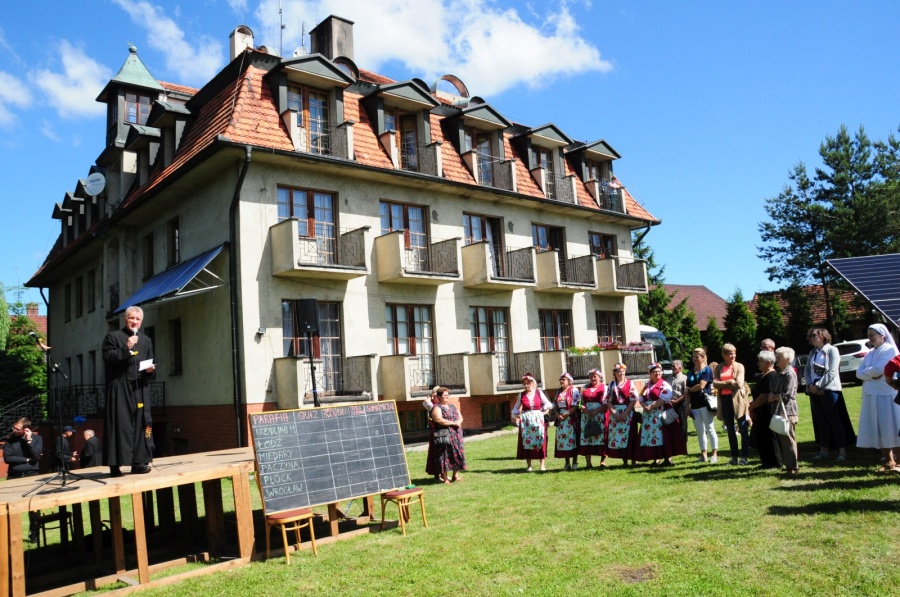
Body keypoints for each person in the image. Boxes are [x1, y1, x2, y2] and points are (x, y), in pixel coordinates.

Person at [103, 305, 155, 477]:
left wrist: (150, 370)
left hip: (139, 386)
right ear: (125, 319)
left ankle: (138, 463)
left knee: (141, 424)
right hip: (120, 386)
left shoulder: (146, 340)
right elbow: (108, 358)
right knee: (120, 425)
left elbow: (150, 361)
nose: (134, 321)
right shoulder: (113, 337)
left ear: (141, 321)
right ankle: (115, 465)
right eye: (131, 318)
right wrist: (126, 348)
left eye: (138, 319)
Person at [855, 324, 900, 473]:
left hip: (886, 394)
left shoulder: (889, 350)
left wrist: (870, 373)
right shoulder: (870, 352)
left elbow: (880, 369)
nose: (870, 338)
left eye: (872, 335)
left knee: (892, 427)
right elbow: (858, 373)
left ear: (882, 336)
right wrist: (871, 374)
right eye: (868, 335)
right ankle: (889, 461)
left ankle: (899, 461)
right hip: (872, 394)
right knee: (880, 428)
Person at [804, 328, 851, 462]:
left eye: (813, 335)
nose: (811, 337)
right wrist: (810, 386)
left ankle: (842, 452)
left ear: (822, 336)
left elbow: (832, 372)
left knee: (834, 420)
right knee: (821, 421)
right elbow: (807, 371)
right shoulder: (813, 352)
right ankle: (824, 451)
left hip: (829, 390)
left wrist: (818, 386)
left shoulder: (832, 350)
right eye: (809, 335)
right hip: (814, 391)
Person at [635, 363, 687, 466]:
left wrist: (651, 406)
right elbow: (640, 397)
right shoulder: (647, 385)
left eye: (659, 371)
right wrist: (644, 406)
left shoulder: (664, 384)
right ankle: (656, 458)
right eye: (655, 372)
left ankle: (668, 458)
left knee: (664, 435)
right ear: (650, 373)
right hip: (649, 415)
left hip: (661, 413)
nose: (657, 373)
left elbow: (664, 398)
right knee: (652, 435)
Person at [3, 417, 44, 542]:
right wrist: (26, 459)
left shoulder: (36, 439)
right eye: (13, 427)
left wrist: (29, 440)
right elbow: (8, 458)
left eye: (16, 428)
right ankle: (11, 536)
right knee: (10, 506)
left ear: (25, 429)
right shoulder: (10, 441)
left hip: (31, 475)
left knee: (33, 507)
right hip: (14, 476)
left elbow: (35, 454)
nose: (13, 430)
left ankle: (34, 535)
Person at [713, 344, 750, 465]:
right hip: (725, 400)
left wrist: (722, 384)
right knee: (730, 430)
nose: (733, 356)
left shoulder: (739, 366)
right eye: (730, 354)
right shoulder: (719, 367)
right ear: (724, 355)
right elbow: (715, 384)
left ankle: (744, 457)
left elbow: (739, 384)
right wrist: (729, 382)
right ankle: (734, 457)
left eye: (734, 353)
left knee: (743, 428)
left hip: (738, 400)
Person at [748, 351, 783, 470]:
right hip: (760, 412)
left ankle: (775, 462)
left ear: (768, 362)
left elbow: (764, 396)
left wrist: (751, 407)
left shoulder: (772, 375)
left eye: (760, 361)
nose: (758, 364)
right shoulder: (763, 375)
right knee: (762, 437)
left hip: (768, 411)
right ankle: (766, 462)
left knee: (770, 437)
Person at [512, 374, 553, 471]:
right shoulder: (521, 395)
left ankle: (542, 465)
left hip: (538, 420)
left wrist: (543, 412)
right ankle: (529, 466)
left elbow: (548, 403)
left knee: (540, 440)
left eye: (528, 383)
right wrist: (516, 415)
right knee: (527, 441)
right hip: (526, 422)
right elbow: (516, 408)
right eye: (525, 384)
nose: (526, 386)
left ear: (532, 383)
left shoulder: (538, 392)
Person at [771, 347, 800, 475]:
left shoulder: (790, 374)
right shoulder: (780, 373)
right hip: (781, 410)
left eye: (779, 357)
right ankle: (789, 466)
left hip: (788, 410)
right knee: (783, 440)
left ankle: (793, 467)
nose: (776, 359)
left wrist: (774, 396)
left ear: (787, 359)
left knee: (789, 439)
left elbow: (788, 395)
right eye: (776, 356)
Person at [687, 348, 718, 463]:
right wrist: (687, 407)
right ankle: (703, 455)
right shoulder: (690, 372)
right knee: (700, 431)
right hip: (695, 405)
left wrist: (689, 389)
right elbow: (688, 392)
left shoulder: (707, 370)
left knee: (710, 428)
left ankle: (714, 454)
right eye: (693, 356)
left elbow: (701, 385)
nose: (695, 359)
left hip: (705, 403)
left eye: (697, 357)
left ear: (703, 357)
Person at [430, 387, 466, 483]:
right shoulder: (437, 407)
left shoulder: (452, 406)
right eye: (445, 395)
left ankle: (455, 475)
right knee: (444, 456)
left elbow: (460, 417)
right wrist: (453, 423)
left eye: (448, 395)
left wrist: (458, 422)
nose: (447, 397)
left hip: (456, 435)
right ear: (439, 397)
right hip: (444, 435)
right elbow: (438, 419)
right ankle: (445, 478)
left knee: (457, 453)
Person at [605, 363, 638, 466]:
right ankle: (624, 460)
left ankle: (633, 460)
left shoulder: (630, 383)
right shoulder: (611, 385)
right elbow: (608, 400)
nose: (621, 373)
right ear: (614, 373)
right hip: (615, 412)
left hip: (628, 412)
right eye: (619, 371)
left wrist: (624, 414)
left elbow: (633, 399)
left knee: (630, 436)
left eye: (623, 371)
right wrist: (614, 414)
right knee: (619, 437)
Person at [578, 369, 607, 468]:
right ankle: (588, 463)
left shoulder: (604, 387)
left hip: (599, 414)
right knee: (587, 437)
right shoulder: (584, 388)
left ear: (599, 377)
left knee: (601, 436)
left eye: (595, 376)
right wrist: (584, 409)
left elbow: (606, 402)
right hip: (586, 415)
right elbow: (579, 402)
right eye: (591, 376)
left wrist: (595, 411)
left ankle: (603, 461)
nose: (593, 378)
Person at [553, 372, 581, 470]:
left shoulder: (574, 390)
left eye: (563, 379)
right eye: (560, 379)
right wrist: (557, 415)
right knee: (563, 440)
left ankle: (575, 462)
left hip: (570, 418)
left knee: (572, 439)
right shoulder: (558, 391)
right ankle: (567, 462)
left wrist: (568, 413)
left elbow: (576, 405)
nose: (561, 381)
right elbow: (555, 406)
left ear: (569, 381)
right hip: (561, 419)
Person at [667, 360, 689, 447]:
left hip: (681, 404)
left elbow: (686, 393)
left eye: (674, 366)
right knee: (672, 424)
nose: (672, 368)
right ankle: (674, 444)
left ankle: (683, 444)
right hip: (670, 404)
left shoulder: (684, 378)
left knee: (682, 424)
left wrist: (677, 401)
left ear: (679, 367)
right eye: (672, 366)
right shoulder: (669, 378)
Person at [424, 386, 442, 481]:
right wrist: (429, 399)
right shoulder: (432, 404)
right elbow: (426, 404)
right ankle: (437, 475)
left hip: (442, 430)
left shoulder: (440, 403)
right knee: (435, 452)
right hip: (436, 431)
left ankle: (443, 474)